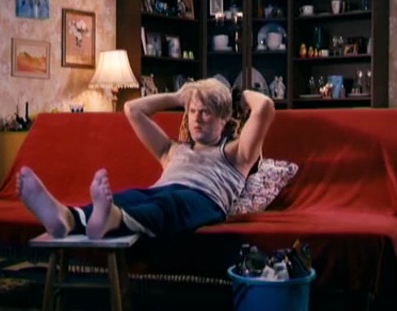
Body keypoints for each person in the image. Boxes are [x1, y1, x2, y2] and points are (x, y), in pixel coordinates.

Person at [16, 78, 275, 240]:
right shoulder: (172, 150)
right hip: (160, 190)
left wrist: (236, 96)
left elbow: (264, 107)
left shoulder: (235, 153)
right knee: (130, 196)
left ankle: (111, 219)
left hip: (203, 200)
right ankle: (65, 218)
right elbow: (132, 109)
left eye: (205, 112)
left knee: (169, 203)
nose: (196, 118)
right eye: (192, 111)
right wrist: (177, 97)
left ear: (224, 119)